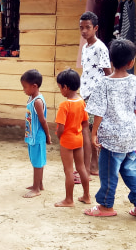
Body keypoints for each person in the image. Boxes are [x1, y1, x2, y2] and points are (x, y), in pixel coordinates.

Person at [84, 39, 136, 220]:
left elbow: (98, 112)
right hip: (131, 137)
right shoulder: (135, 81)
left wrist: (94, 133)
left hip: (111, 139)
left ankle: (105, 206)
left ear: (111, 61)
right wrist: (128, 123)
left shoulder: (104, 83)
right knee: (131, 171)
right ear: (131, 62)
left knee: (108, 174)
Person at [79, 11, 112, 177]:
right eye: (81, 28)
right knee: (87, 128)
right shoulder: (85, 47)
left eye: (88, 27)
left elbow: (108, 72)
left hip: (96, 94)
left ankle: (95, 164)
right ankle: (90, 162)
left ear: (96, 28)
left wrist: (108, 95)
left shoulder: (100, 48)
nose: (84, 31)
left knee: (93, 129)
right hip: (85, 93)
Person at [54, 69, 91, 207]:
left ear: (65, 87)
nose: (60, 91)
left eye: (60, 87)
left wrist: (58, 135)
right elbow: (85, 122)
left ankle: (69, 200)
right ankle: (86, 196)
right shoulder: (81, 102)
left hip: (67, 140)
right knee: (81, 168)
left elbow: (61, 128)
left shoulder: (64, 105)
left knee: (68, 170)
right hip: (79, 138)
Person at [20, 69, 52, 198]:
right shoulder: (31, 97)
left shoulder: (37, 101)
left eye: (25, 87)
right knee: (36, 161)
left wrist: (48, 135)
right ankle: (39, 184)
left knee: (37, 163)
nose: (24, 90)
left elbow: (43, 121)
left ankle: (36, 188)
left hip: (37, 136)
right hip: (32, 135)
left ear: (34, 86)